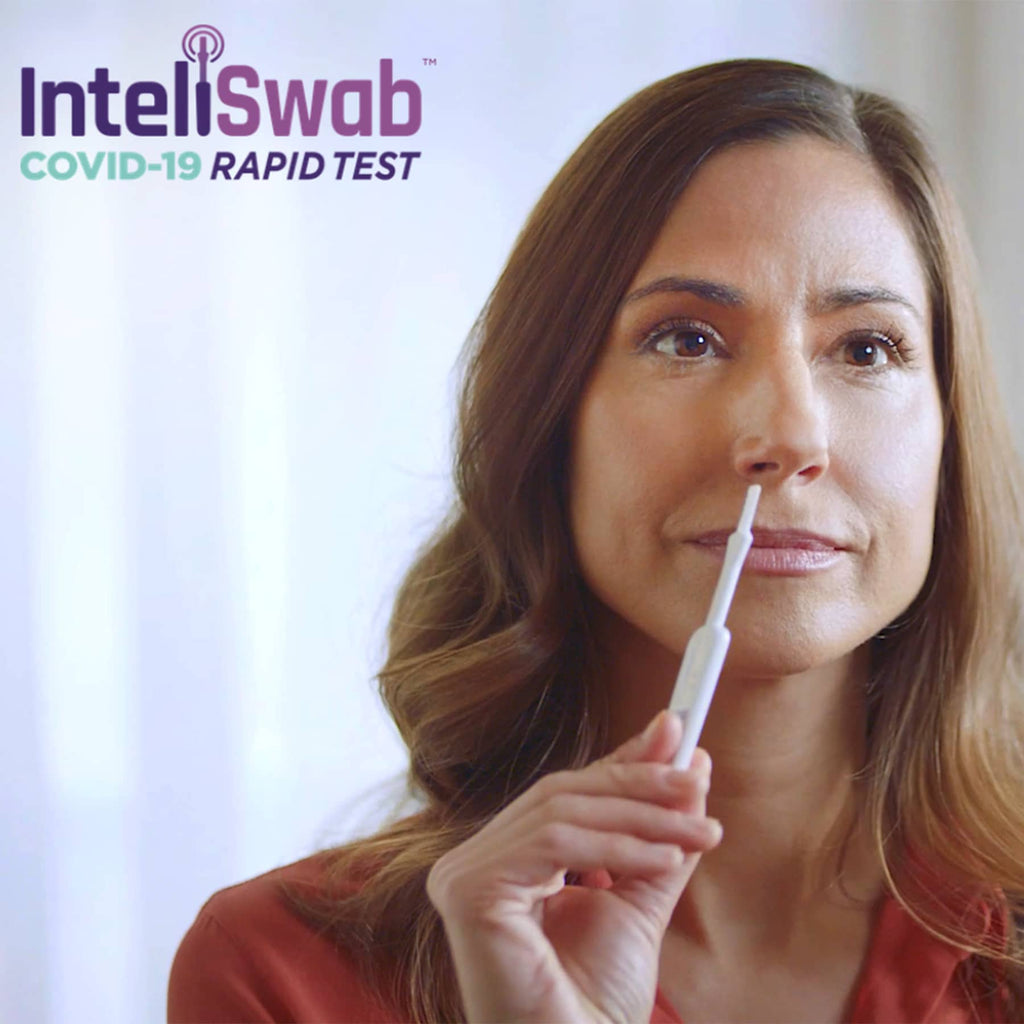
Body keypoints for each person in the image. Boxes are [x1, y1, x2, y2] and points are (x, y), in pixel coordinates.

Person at [168, 58, 1024, 1023]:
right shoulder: (284, 975)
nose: (790, 436)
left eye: (866, 348)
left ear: (949, 431)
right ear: (548, 418)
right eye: (686, 339)